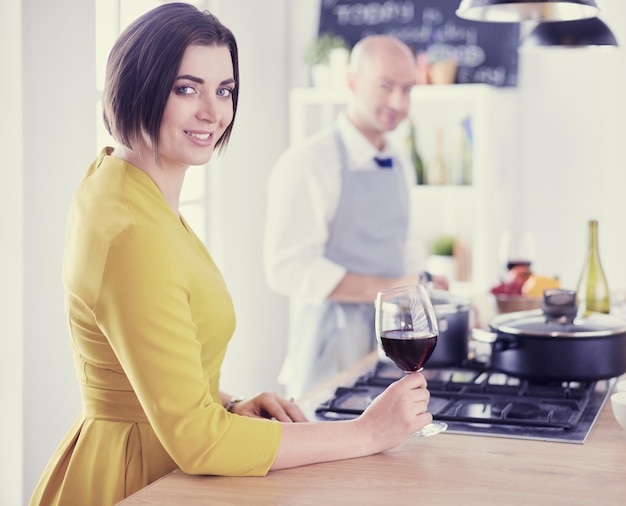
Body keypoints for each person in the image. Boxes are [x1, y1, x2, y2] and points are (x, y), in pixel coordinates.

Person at [29, 4, 433, 505]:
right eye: (186, 88)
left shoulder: (123, 188)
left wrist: (230, 403)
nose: (213, 111)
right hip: (138, 482)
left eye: (224, 90)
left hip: (153, 460)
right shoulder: (133, 229)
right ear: (138, 85)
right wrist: (368, 433)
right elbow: (199, 442)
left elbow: (140, 363)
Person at [264, 35, 446, 399]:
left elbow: (405, 246)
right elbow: (286, 268)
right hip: (330, 354)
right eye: (385, 86)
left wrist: (426, 288)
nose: (399, 102)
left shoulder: (400, 162)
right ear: (351, 82)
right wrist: (392, 289)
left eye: (408, 89)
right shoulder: (309, 162)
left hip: (390, 348)